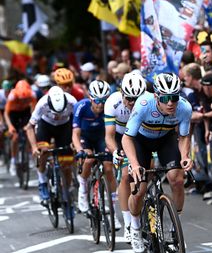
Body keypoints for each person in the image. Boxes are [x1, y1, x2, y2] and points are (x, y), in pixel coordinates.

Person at [122, 73, 192, 253]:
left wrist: (185, 156)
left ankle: (175, 229)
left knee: (176, 179)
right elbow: (127, 138)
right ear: (156, 96)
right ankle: (135, 227)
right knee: (139, 190)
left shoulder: (184, 108)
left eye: (174, 98)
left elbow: (183, 136)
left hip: (165, 139)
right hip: (140, 141)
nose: (170, 103)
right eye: (166, 98)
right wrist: (135, 164)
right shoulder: (144, 104)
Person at [104, 72, 147, 243]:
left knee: (147, 174)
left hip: (141, 137)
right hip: (121, 139)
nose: (132, 103)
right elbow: (109, 135)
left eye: (136, 99)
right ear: (121, 93)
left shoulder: (146, 102)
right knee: (125, 176)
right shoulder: (112, 102)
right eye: (128, 98)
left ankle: (146, 203)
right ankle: (129, 223)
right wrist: (115, 151)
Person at [73, 80, 119, 232]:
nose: (100, 104)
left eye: (104, 100)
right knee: (89, 159)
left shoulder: (109, 108)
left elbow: (112, 133)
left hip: (101, 138)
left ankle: (113, 210)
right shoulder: (81, 107)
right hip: (85, 137)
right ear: (90, 98)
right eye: (97, 100)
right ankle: (83, 189)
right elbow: (75, 134)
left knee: (108, 166)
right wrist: (80, 149)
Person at [25, 86, 77, 209]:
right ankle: (42, 181)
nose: (57, 115)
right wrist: (33, 147)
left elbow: (77, 124)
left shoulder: (72, 101)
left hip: (64, 127)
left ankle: (66, 194)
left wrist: (76, 141)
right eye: (54, 112)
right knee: (43, 151)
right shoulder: (42, 104)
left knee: (67, 163)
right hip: (45, 126)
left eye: (60, 112)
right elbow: (29, 127)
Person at [4, 80, 37, 176]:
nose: (23, 101)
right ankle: (13, 162)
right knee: (14, 138)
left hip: (25, 112)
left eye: (25, 99)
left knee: (28, 132)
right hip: (13, 113)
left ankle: (29, 155)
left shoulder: (32, 94)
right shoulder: (12, 95)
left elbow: (34, 111)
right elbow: (6, 113)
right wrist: (10, 126)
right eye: (21, 99)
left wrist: (33, 123)